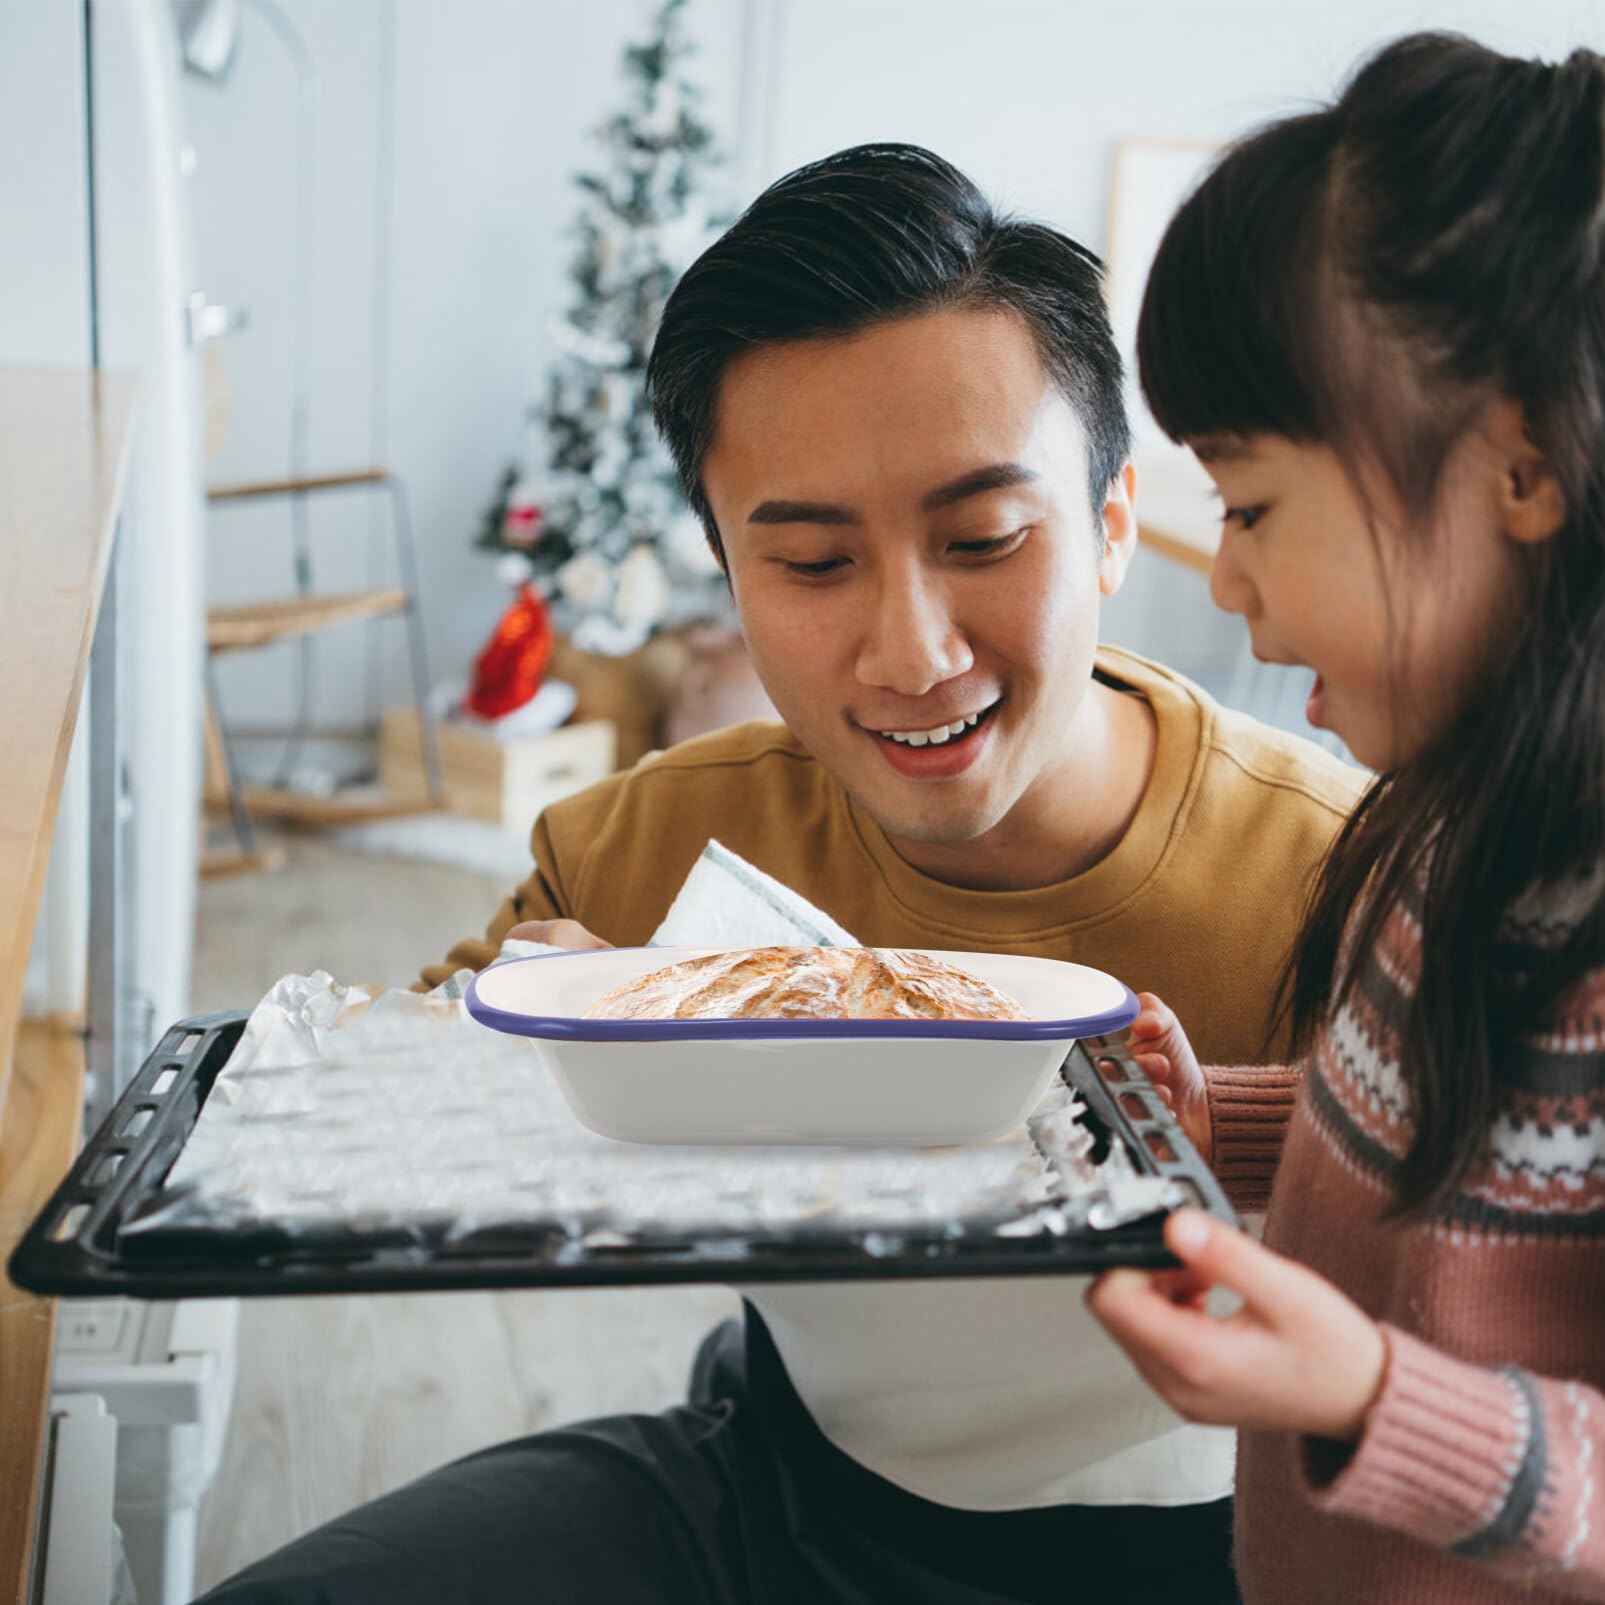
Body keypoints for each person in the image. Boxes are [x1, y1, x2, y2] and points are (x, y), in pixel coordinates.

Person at [202, 145, 1361, 1604]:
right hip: (767, 1487)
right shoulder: (649, 843)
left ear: (1115, 519)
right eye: (812, 564)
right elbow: (370, 1125)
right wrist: (509, 1040)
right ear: (724, 575)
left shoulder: (1349, 887)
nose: (912, 650)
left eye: (984, 538)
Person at [1086, 31, 1605, 1605]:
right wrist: (1220, 1123)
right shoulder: (1457, 825)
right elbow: (1449, 1156)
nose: (1225, 578)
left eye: (1248, 504)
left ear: (1519, 463)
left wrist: (1369, 1399)